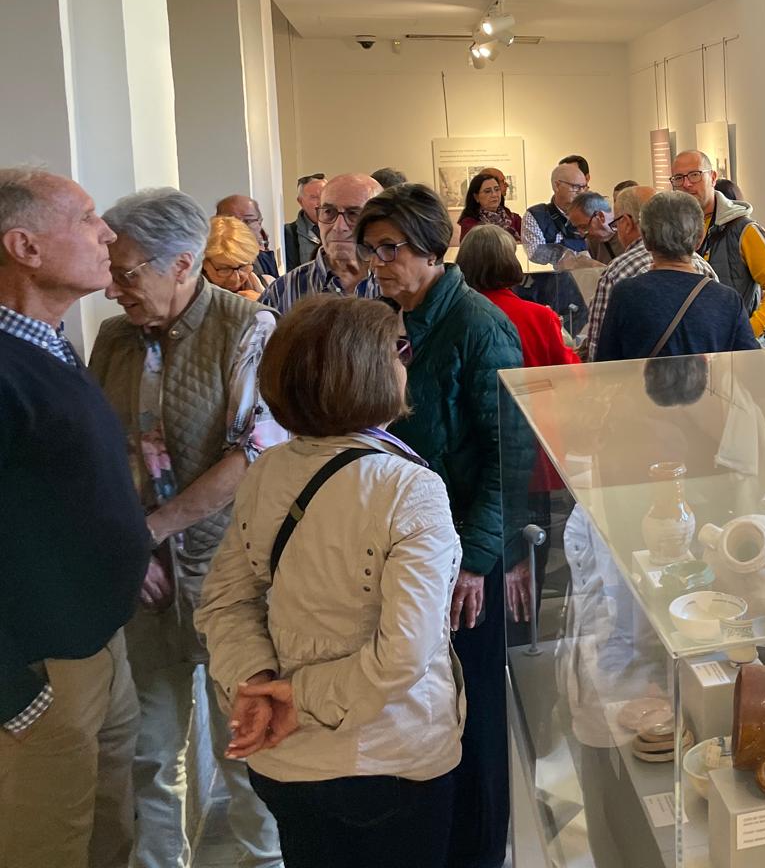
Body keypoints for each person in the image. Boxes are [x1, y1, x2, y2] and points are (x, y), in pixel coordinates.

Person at [194, 296, 463, 868]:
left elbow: (224, 603)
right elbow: (402, 657)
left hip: (286, 759)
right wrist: (296, 696)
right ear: (369, 368)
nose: (405, 362)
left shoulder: (269, 469)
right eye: (400, 349)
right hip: (389, 757)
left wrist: (257, 682)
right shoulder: (406, 488)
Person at [89, 187, 282, 868]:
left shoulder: (247, 328)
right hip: (142, 584)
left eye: (127, 271)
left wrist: (155, 531)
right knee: (146, 751)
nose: (114, 289)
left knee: (249, 749)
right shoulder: (113, 340)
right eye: (111, 271)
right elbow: (98, 454)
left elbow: (251, 453)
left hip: (229, 575)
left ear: (182, 263)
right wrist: (130, 548)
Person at [353, 184, 523, 868]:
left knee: (474, 717)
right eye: (371, 249)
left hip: (462, 553)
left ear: (431, 246)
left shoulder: (478, 327)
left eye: (391, 248)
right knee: (426, 709)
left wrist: (481, 558)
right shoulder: (389, 317)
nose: (379, 262)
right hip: (410, 545)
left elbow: (510, 454)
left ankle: (479, 851)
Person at [0, 168, 149, 868]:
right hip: (43, 672)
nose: (108, 235)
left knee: (108, 829)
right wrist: (13, 690)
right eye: (88, 218)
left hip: (99, 645)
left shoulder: (48, 340)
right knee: (46, 845)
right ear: (25, 247)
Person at [457, 223, 580, 626]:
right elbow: (567, 380)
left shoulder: (457, 317)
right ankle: (523, 635)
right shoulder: (538, 316)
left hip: (472, 461)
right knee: (532, 556)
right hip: (531, 456)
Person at [592, 190, 759, 361]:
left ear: (646, 240)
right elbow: (749, 365)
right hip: (708, 387)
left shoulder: (626, 294)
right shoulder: (727, 300)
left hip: (644, 388)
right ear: (699, 238)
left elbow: (605, 366)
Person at [583, 185, 716, 360]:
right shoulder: (706, 269)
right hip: (704, 383)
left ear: (627, 222)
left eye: (616, 223)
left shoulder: (617, 274)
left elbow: (598, 351)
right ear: (699, 237)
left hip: (640, 384)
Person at [670, 149, 765, 339]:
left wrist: (747, 332)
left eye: (694, 175)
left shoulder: (744, 229)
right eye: (678, 178)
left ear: (713, 177)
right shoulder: (673, 229)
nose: (687, 184)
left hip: (736, 352)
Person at [259, 174, 384, 316]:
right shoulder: (281, 293)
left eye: (354, 214)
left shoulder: (398, 287)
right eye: (329, 212)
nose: (338, 226)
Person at [523, 161, 590, 258]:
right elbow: (537, 255)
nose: (581, 192)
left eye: (584, 187)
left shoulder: (592, 214)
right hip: (554, 273)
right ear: (557, 186)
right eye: (576, 187)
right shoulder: (536, 215)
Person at [217, 194, 279, 281]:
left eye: (248, 221)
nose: (240, 227)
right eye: (231, 221)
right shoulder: (207, 262)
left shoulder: (265, 259)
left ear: (259, 223)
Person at [205, 216, 268, 300]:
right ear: (204, 263)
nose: (235, 279)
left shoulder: (268, 284)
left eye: (242, 267)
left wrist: (264, 302)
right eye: (225, 269)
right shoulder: (188, 296)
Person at [457, 170, 523, 242]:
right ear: (476, 197)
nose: (494, 194)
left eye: (497, 189)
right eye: (487, 191)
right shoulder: (469, 224)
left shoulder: (514, 219)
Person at [281, 173, 324, 271]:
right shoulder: (289, 234)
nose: (321, 202)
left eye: (325, 195)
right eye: (314, 197)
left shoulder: (344, 228)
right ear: (300, 201)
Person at [569, 190, 621, 264]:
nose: (582, 235)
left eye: (583, 227)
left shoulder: (629, 232)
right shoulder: (592, 241)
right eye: (577, 228)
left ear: (601, 216)